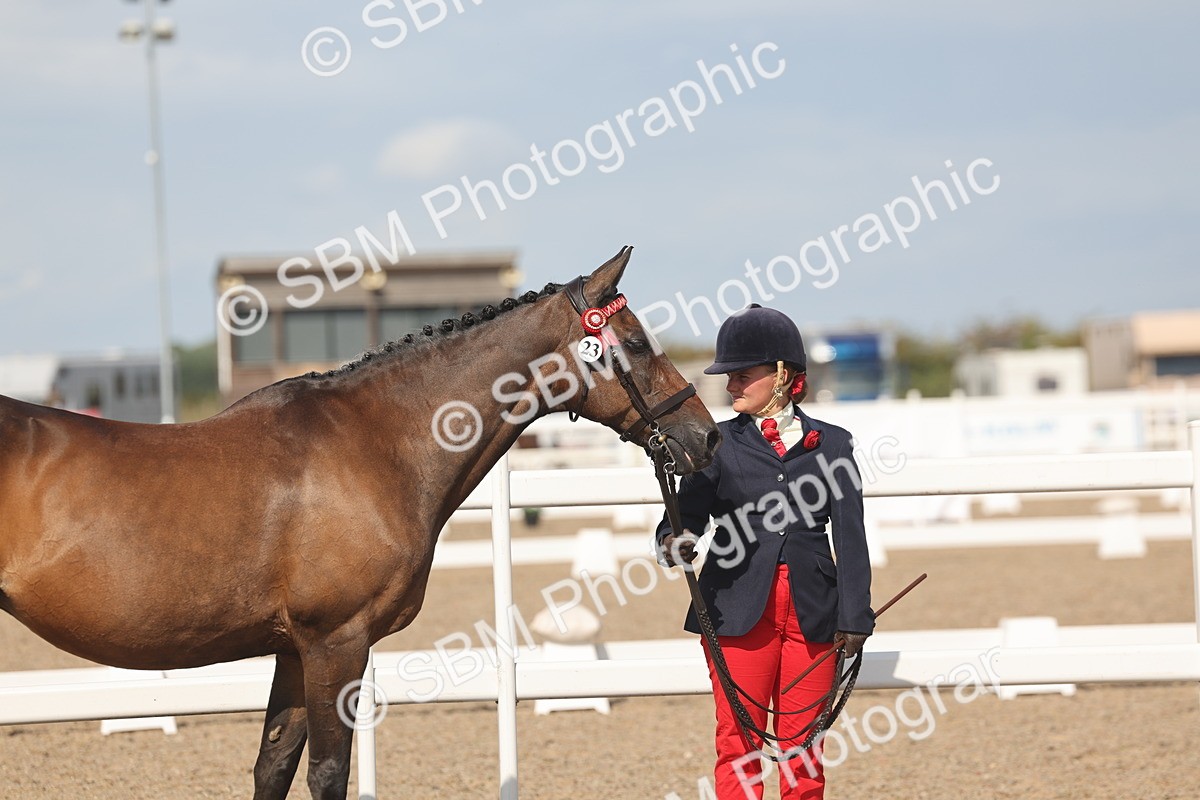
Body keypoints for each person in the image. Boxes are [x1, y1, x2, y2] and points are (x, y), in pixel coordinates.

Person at [656, 304, 874, 800]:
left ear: (782, 375)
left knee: (804, 746)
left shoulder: (833, 445)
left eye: (741, 376)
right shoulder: (714, 442)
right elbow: (684, 516)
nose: (731, 386)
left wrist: (855, 614)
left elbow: (851, 536)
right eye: (729, 377)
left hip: (814, 609)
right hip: (734, 603)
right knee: (740, 741)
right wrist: (675, 540)